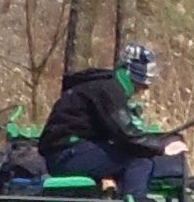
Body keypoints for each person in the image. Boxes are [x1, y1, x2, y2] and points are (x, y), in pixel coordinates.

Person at [38, 42, 186, 190]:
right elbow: (127, 135)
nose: (144, 89)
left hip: (67, 153)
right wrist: (161, 148)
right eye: (142, 83)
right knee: (138, 160)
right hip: (66, 155)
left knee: (126, 156)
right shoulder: (110, 90)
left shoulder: (102, 86)